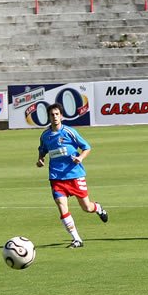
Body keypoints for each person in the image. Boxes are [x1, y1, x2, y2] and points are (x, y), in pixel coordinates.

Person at [36, 103, 109, 248]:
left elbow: (86, 147)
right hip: (56, 177)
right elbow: (42, 150)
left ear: (61, 116)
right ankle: (77, 239)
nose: (55, 117)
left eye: (57, 114)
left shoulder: (69, 132)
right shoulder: (45, 135)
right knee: (62, 207)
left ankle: (98, 208)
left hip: (75, 175)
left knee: (86, 207)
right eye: (52, 115)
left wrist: (80, 158)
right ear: (49, 117)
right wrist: (40, 159)